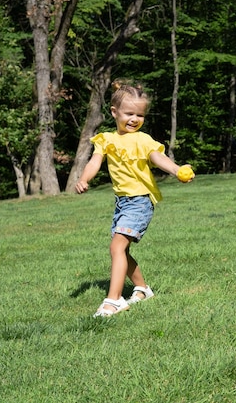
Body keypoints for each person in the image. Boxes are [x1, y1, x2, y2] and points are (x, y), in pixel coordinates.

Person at [75, 79, 192, 317]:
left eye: (140, 115)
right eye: (129, 113)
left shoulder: (142, 139)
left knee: (117, 246)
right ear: (114, 112)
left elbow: (158, 158)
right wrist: (84, 179)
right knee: (122, 251)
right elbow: (95, 161)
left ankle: (114, 300)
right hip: (122, 202)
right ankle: (142, 288)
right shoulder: (106, 139)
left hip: (140, 201)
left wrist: (176, 170)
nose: (134, 119)